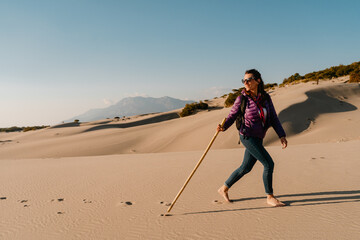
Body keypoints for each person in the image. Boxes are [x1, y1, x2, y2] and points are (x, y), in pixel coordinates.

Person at [217, 69, 288, 207]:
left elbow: (273, 118)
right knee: (269, 164)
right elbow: (232, 115)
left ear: (258, 80)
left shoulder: (266, 98)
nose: (246, 82)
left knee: (245, 167)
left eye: (249, 79)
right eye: (244, 80)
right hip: (247, 136)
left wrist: (281, 135)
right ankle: (270, 196)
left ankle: (223, 188)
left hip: (259, 137)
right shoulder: (242, 99)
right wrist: (223, 126)